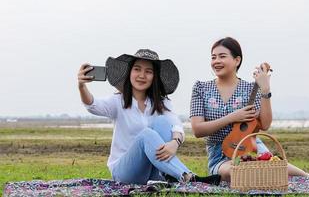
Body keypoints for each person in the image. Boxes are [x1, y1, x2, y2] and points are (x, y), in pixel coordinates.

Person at [190, 37, 309, 182]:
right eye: (213, 57)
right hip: (219, 155)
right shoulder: (201, 88)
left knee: (266, 166)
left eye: (222, 56)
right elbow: (197, 130)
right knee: (237, 171)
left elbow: (265, 124)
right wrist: (232, 117)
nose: (216, 61)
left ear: (237, 60)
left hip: (251, 147)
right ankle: (270, 173)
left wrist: (265, 89)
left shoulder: (251, 88)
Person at [77, 49, 220, 185]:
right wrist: (82, 86)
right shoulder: (118, 101)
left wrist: (174, 143)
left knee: (163, 121)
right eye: (137, 69)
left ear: (154, 77)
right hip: (125, 172)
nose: (142, 75)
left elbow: (176, 124)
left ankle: (170, 174)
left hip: (153, 172)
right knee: (146, 135)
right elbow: (93, 105)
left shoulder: (162, 102)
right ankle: (187, 176)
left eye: (148, 71)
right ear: (129, 72)